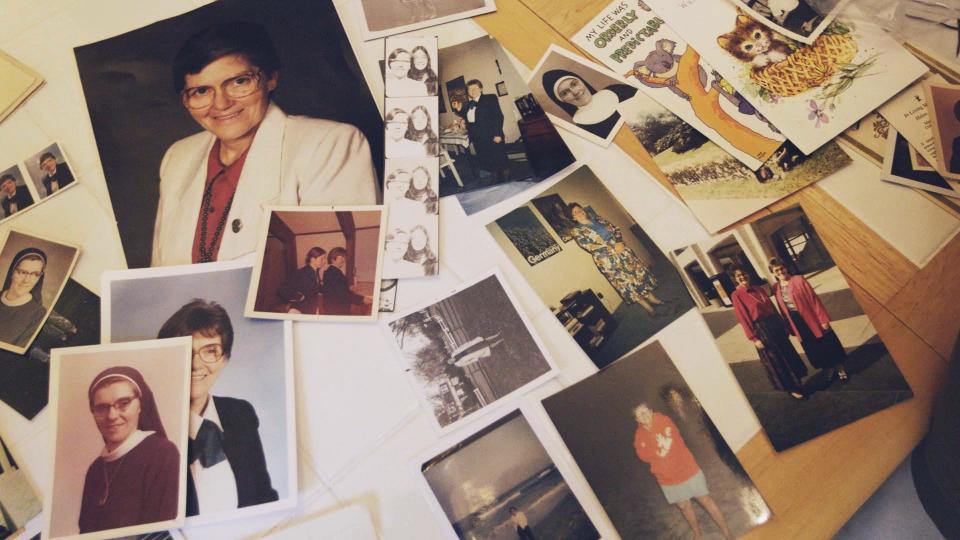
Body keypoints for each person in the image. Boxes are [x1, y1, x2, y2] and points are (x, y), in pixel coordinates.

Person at [152, 21, 377, 267]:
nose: (221, 104)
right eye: (201, 91)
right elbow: (159, 273)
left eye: (239, 82)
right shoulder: (178, 157)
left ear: (271, 79)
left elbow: (334, 264)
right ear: (186, 100)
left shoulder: (331, 144)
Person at [157, 300, 278, 516]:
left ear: (225, 359)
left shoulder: (240, 414)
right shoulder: (154, 432)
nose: (195, 364)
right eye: (184, 351)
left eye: (210, 351)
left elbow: (265, 498)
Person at [79, 366, 180, 533]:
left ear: (140, 405)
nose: (111, 415)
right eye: (102, 407)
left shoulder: (163, 455)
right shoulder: (95, 470)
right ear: (93, 412)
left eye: (123, 403)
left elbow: (160, 533)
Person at [632, 403, 733, 540]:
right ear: (637, 420)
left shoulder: (664, 421)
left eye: (645, 412)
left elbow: (671, 440)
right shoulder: (639, 436)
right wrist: (658, 452)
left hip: (687, 470)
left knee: (706, 500)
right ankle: (697, 534)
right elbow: (643, 455)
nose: (644, 416)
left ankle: (727, 533)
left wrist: (659, 451)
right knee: (684, 507)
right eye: (640, 415)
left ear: (651, 411)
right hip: (667, 479)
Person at [566, 202, 663, 315]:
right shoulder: (576, 231)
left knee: (637, 275)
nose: (579, 212)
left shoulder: (599, 219)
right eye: (575, 212)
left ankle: (651, 298)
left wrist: (619, 242)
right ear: (573, 217)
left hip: (622, 250)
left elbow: (615, 229)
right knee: (625, 282)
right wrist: (611, 247)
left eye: (580, 209)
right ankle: (646, 306)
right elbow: (588, 246)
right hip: (607, 259)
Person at [729, 266, 808, 400]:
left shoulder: (759, 289)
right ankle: (791, 388)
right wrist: (754, 338)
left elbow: (771, 307)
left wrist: (783, 324)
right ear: (735, 279)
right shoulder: (736, 295)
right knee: (777, 359)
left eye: (744, 273)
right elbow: (743, 318)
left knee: (788, 353)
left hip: (775, 324)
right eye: (738, 276)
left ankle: (797, 381)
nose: (742, 277)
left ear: (748, 274)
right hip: (762, 329)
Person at [769, 258, 850, 384]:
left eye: (782, 268)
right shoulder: (775, 288)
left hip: (811, 319)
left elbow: (814, 300)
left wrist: (823, 320)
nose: (780, 271)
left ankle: (840, 369)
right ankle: (829, 368)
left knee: (827, 343)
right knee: (814, 348)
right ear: (773, 273)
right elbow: (782, 309)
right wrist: (789, 327)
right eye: (776, 270)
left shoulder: (798, 280)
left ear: (786, 268)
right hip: (796, 322)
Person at [541, 70, 637, 139]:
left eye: (574, 84)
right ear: (562, 101)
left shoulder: (617, 90)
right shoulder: (583, 129)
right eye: (565, 93)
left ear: (582, 81)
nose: (575, 92)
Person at [451, 79, 511, 184]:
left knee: (499, 157)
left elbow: (498, 116)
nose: (472, 91)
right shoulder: (469, 104)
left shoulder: (490, 98)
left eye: (475, 88)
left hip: (492, 134)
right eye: (470, 89)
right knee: (487, 158)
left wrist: (497, 134)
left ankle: (507, 179)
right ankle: (495, 177)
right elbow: (467, 115)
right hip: (478, 137)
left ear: (481, 89)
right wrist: (458, 109)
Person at [0, 248, 47, 348]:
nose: (26, 280)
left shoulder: (38, 314)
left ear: (39, 277)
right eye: (22, 272)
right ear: (12, 272)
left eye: (35, 274)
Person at [322, 247, 372, 315]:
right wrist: (362, 299)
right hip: (337, 310)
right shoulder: (334, 272)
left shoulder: (331, 271)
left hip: (333, 308)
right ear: (333, 259)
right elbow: (343, 295)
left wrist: (348, 288)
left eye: (344, 257)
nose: (344, 260)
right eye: (341, 257)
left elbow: (335, 289)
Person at [276, 247, 326, 315]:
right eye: (322, 259)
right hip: (300, 310)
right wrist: (299, 297)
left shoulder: (315, 272)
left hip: (310, 310)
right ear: (313, 259)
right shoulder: (303, 272)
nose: (324, 261)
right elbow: (282, 289)